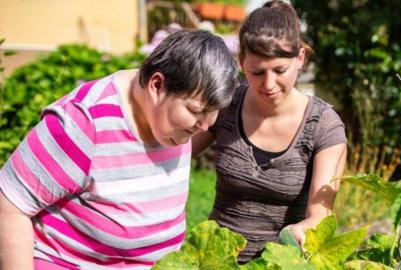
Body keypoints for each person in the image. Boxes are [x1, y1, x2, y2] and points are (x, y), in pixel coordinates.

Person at [0, 29, 239, 269]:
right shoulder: (84, 123)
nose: (205, 125)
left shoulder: (172, 121)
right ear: (157, 85)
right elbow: (9, 207)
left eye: (213, 112)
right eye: (197, 111)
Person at [192, 0, 347, 263]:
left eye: (279, 70)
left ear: (300, 58)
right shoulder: (227, 105)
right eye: (257, 72)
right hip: (216, 261)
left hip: (279, 264)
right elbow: (176, 152)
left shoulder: (324, 125)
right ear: (241, 63)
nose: (268, 84)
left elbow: (321, 214)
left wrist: (301, 230)